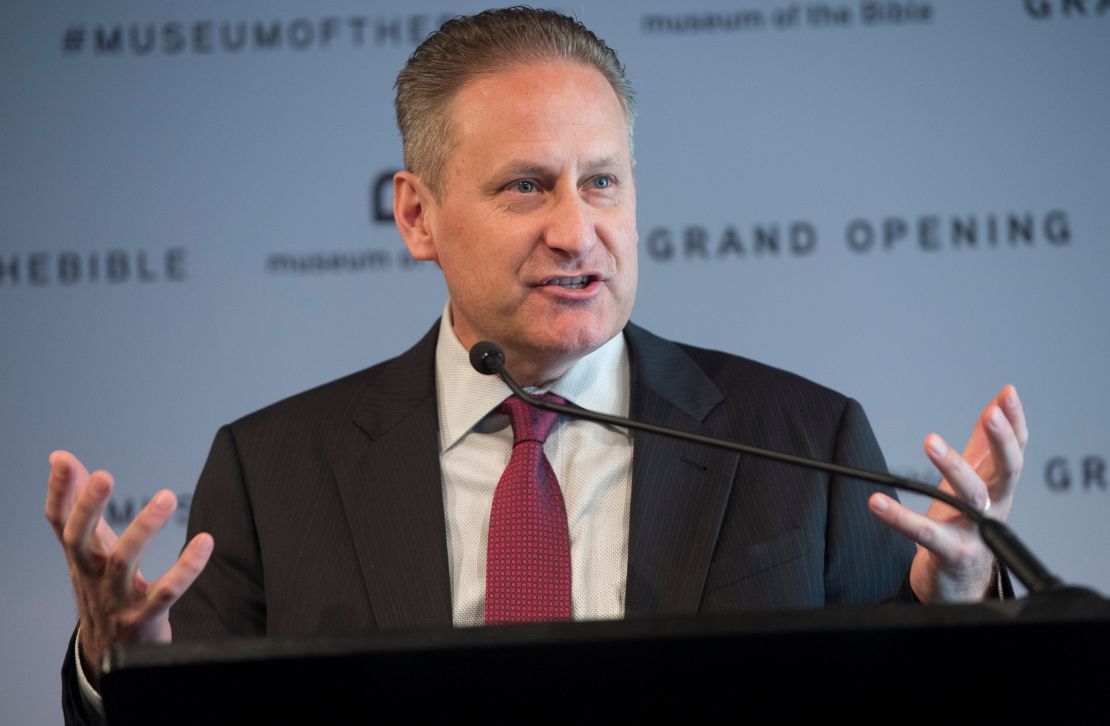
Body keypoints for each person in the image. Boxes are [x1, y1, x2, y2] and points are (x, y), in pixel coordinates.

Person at [47, 7, 1027, 722]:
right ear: (417, 215)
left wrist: (962, 612)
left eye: (601, 181)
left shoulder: (806, 444)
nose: (577, 229)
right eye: (527, 187)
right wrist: (116, 666)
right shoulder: (276, 472)